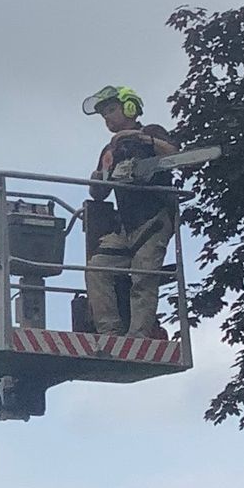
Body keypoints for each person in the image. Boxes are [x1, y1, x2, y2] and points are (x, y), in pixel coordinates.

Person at [80, 86, 180, 336]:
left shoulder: (152, 133)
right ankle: (109, 330)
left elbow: (176, 154)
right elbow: (99, 194)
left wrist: (142, 139)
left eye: (111, 110)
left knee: (143, 277)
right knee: (98, 268)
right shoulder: (110, 151)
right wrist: (97, 179)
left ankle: (139, 335)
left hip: (154, 219)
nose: (107, 118)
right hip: (126, 226)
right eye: (104, 115)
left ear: (130, 107)